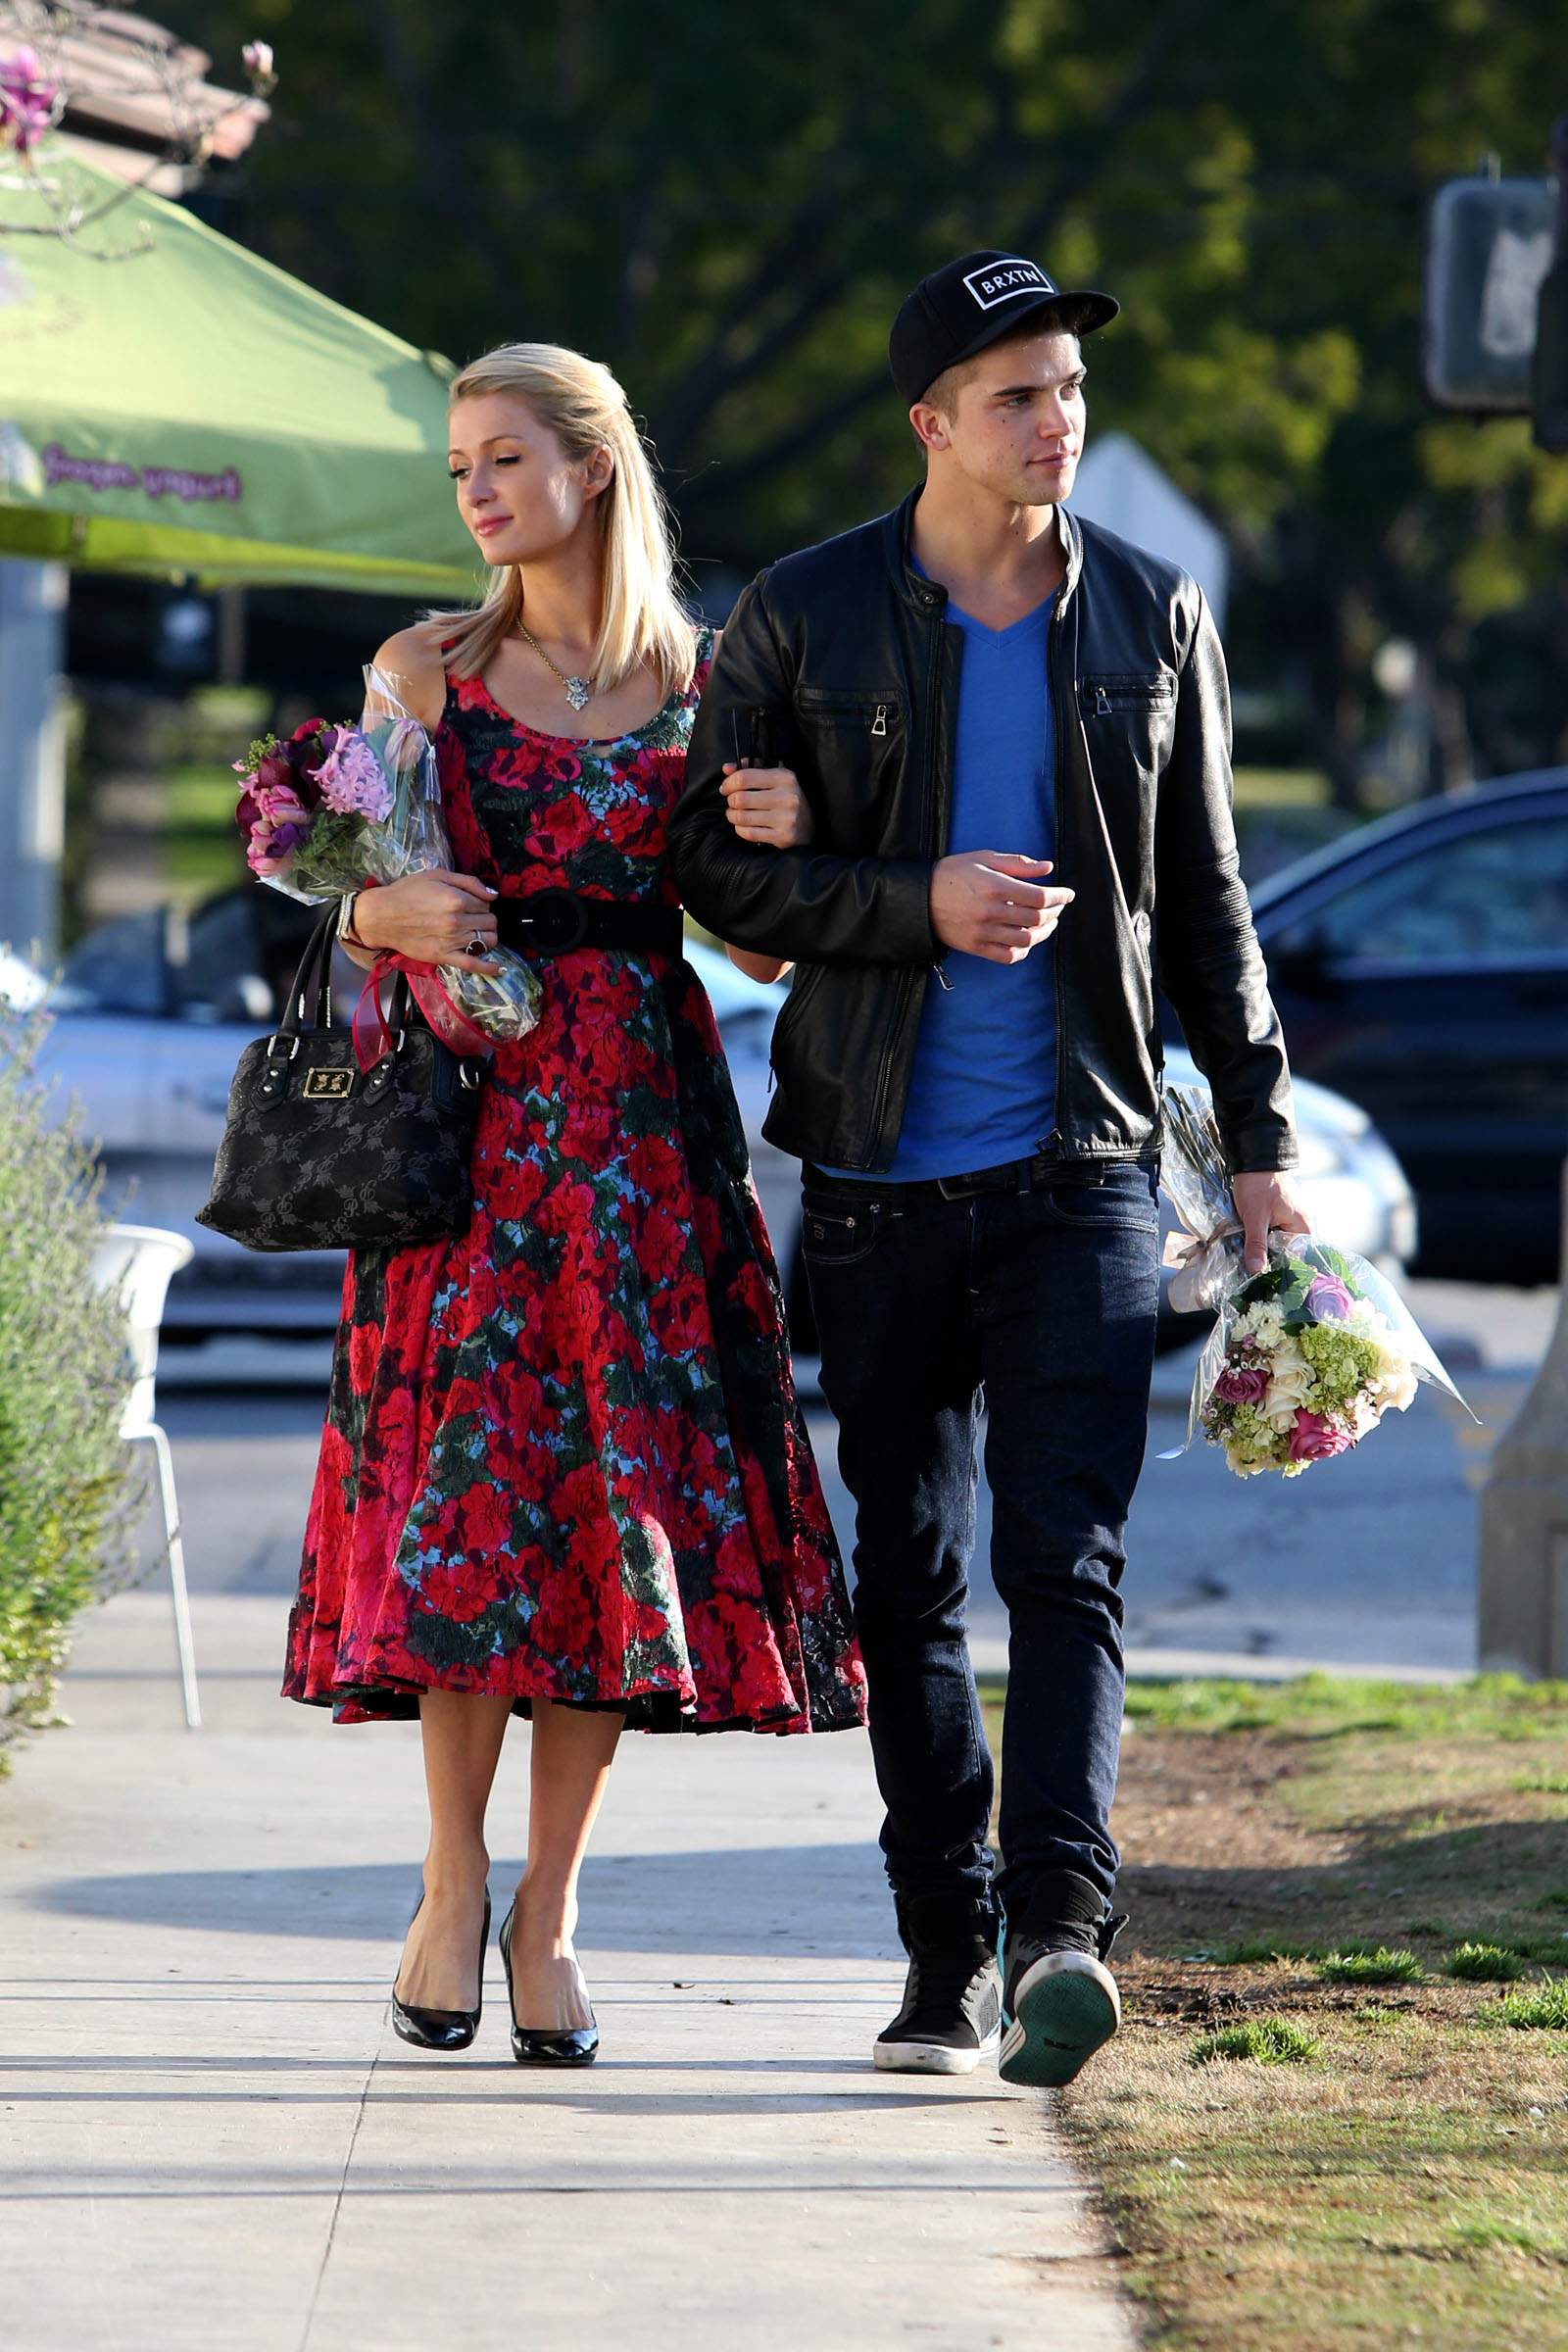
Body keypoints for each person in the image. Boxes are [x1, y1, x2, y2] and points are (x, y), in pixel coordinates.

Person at [669, 251, 1308, 2088]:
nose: (1060, 422)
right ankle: (940, 1946)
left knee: (1072, 1564)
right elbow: (714, 873)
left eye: (1072, 392)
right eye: (1020, 393)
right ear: (933, 420)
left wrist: (1259, 1144)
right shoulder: (801, 616)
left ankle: (1057, 1933)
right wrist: (911, 902)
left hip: (1086, 1168)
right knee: (908, 1575)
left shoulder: (1154, 615)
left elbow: (1209, 907)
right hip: (872, 1177)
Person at [284, 341, 865, 2066]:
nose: (473, 491)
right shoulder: (424, 668)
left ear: (592, 468)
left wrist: (785, 820)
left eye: (503, 457)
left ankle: (553, 1914)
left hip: (640, 1150)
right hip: (468, 1147)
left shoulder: (704, 682)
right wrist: (379, 918)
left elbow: (754, 937)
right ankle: (450, 1887)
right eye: (459, 464)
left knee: (617, 1524)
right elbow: (344, 898)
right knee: (470, 1515)